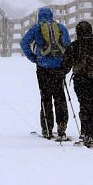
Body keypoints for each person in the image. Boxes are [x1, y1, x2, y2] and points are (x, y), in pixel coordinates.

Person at [20, 7, 71, 140]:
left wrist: (33, 58)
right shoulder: (60, 28)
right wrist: (64, 63)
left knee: (46, 98)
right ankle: (62, 126)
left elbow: (24, 42)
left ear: (39, 16)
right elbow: (68, 46)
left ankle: (47, 128)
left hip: (43, 67)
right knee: (60, 97)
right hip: (58, 68)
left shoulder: (36, 28)